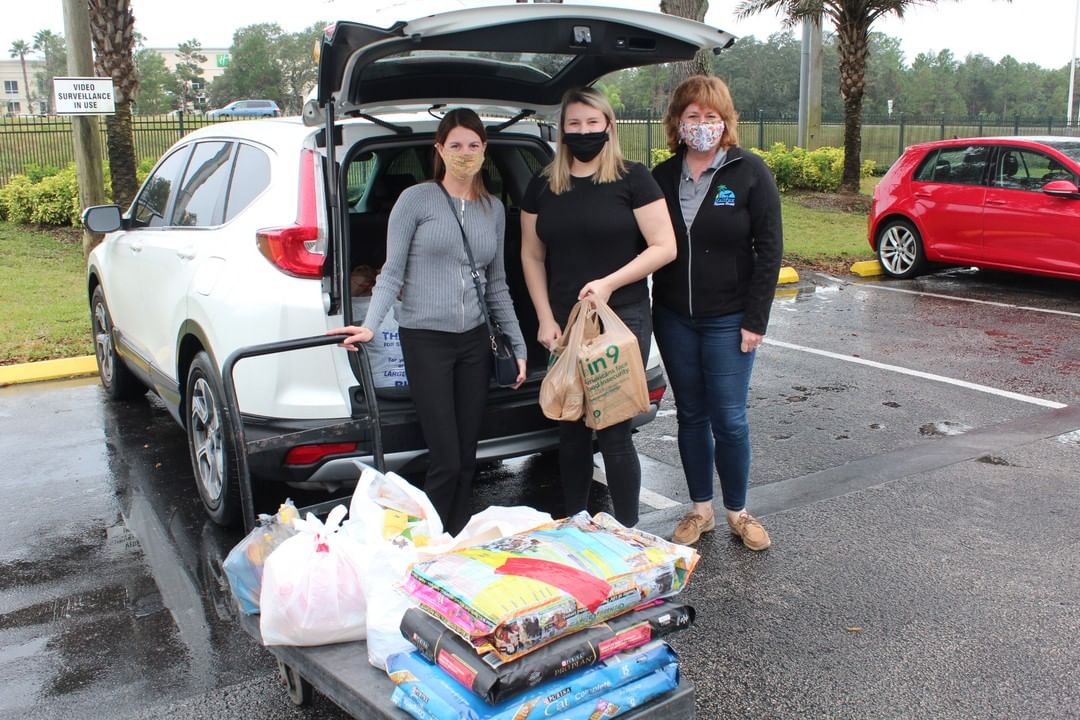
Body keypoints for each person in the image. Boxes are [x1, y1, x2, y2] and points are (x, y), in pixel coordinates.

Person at [330, 108, 528, 535]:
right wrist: (371, 324)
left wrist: (519, 345)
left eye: (473, 145)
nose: (464, 153)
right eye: (455, 145)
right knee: (447, 458)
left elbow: (497, 286)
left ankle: (454, 540)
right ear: (439, 150)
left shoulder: (492, 209)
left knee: (468, 456)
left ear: (484, 150)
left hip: (474, 342)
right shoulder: (416, 200)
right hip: (426, 340)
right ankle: (429, 545)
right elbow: (392, 273)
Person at [520, 87, 676, 528]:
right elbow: (531, 255)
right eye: (574, 124)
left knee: (613, 431)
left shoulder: (633, 178)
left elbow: (664, 246)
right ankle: (575, 525)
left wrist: (609, 284)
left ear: (609, 126)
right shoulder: (543, 184)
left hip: (620, 319)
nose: (584, 131)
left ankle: (628, 535)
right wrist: (545, 318)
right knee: (568, 428)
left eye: (593, 123)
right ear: (562, 129)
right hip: (565, 325)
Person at [650, 76, 783, 550]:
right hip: (673, 316)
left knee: (729, 418)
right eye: (692, 116)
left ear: (725, 121)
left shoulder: (749, 172)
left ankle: (739, 512)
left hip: (730, 318)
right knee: (691, 414)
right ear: (678, 122)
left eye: (711, 116)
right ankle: (700, 510)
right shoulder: (662, 177)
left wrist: (756, 320)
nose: (702, 124)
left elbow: (769, 249)